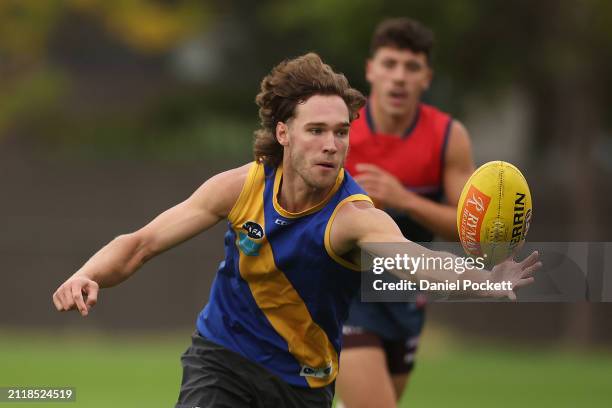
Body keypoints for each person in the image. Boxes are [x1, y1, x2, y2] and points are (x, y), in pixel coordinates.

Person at [52, 53, 539, 408]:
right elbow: (141, 244)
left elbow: (412, 258)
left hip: (302, 385)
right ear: (284, 133)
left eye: (341, 132)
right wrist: (87, 272)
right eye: (316, 130)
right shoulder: (240, 187)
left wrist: (485, 281)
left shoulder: (353, 216)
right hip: (222, 358)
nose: (331, 144)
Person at [338, 18, 476, 408]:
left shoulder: (448, 136)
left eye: (411, 67)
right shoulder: (341, 131)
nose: (399, 77)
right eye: (389, 64)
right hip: (345, 294)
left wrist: (406, 199)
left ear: (426, 77)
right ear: (370, 70)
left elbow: (469, 232)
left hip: (403, 294)